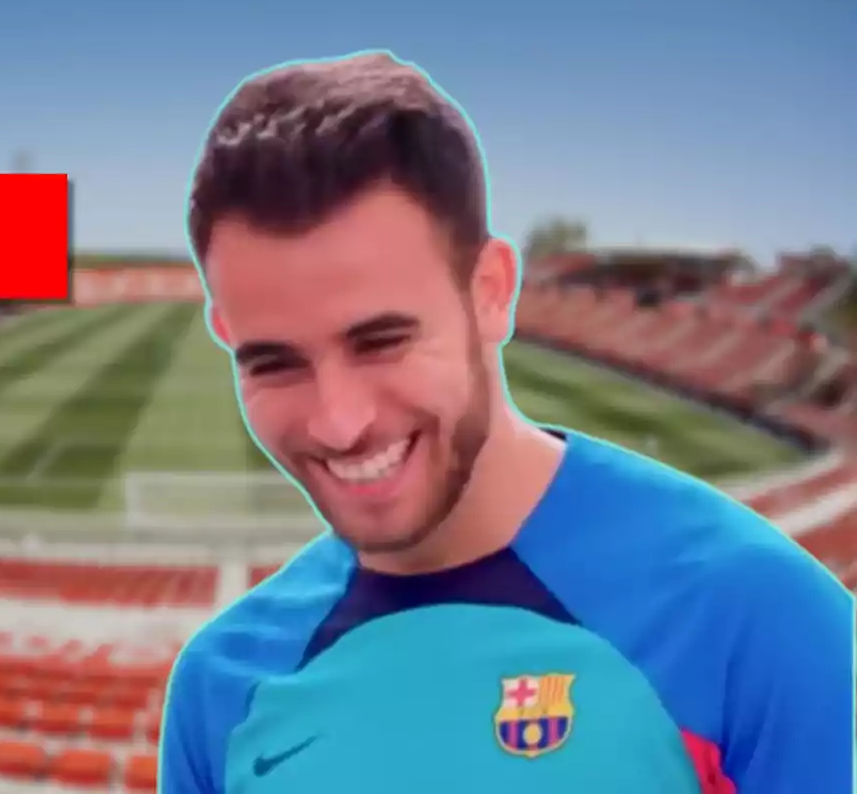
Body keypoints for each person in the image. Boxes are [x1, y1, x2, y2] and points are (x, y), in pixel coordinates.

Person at [159, 51, 855, 793]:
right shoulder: (219, 691)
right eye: (275, 363)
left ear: (491, 292)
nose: (338, 423)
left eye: (383, 341)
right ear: (225, 333)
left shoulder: (758, 621)